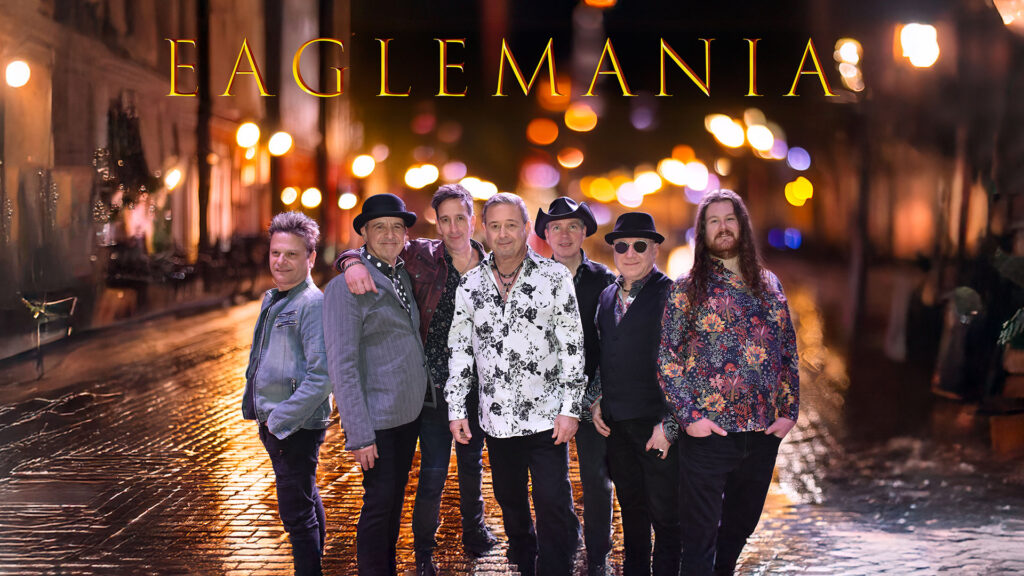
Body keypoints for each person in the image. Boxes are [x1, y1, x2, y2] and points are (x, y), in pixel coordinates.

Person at [335, 184, 497, 575]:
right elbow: (371, 250)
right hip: (432, 390)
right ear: (436, 223)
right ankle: (424, 550)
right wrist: (349, 261)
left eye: (461, 218)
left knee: (472, 466)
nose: (454, 227)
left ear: (472, 219)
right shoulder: (420, 255)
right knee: (433, 474)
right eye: (445, 219)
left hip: (477, 388)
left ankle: (475, 532)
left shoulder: (493, 266)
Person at [658, 189, 800, 576]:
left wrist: (788, 413)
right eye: (713, 221)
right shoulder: (687, 288)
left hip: (761, 433)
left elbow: (788, 349)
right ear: (703, 232)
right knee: (699, 539)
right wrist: (690, 419)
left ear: (742, 226)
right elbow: (667, 359)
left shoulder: (769, 284)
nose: (723, 227)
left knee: (740, 528)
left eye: (729, 219)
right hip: (709, 435)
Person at [446, 193, 585, 576]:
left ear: (525, 229)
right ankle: (525, 558)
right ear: (484, 230)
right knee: (509, 500)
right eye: (495, 226)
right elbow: (460, 350)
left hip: (547, 418)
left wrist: (571, 408)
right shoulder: (470, 284)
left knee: (552, 502)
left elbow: (572, 346)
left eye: (511, 225)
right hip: (497, 420)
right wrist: (456, 408)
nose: (503, 233)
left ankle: (555, 567)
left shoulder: (554, 277)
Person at [323, 193, 429, 576]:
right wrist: (358, 434)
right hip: (377, 421)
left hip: (407, 414)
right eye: (379, 227)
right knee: (379, 506)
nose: (389, 234)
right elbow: (342, 365)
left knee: (393, 503)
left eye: (397, 227)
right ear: (364, 234)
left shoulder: (401, 272)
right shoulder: (345, 288)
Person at [242, 211, 333, 576]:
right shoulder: (275, 298)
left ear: (310, 258)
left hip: (295, 425)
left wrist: (280, 419)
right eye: (276, 253)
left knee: (295, 514)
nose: (280, 261)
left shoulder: (311, 304)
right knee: (306, 499)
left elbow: (322, 376)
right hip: (279, 423)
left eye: (291, 254)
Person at [590, 212, 680, 576]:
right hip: (617, 426)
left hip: (656, 426)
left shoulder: (673, 296)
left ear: (655, 249)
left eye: (640, 246)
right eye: (622, 246)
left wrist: (670, 425)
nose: (630, 253)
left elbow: (688, 366)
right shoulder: (607, 296)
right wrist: (597, 399)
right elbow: (604, 354)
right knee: (631, 510)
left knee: (667, 518)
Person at [534, 197, 616, 576]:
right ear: (546, 234)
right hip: (547, 396)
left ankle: (598, 553)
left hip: (592, 394)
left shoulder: (604, 281)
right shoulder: (532, 278)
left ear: (584, 232)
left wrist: (599, 395)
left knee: (597, 479)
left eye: (572, 226)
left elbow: (614, 342)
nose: (564, 234)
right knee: (551, 481)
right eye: (556, 227)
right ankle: (565, 538)